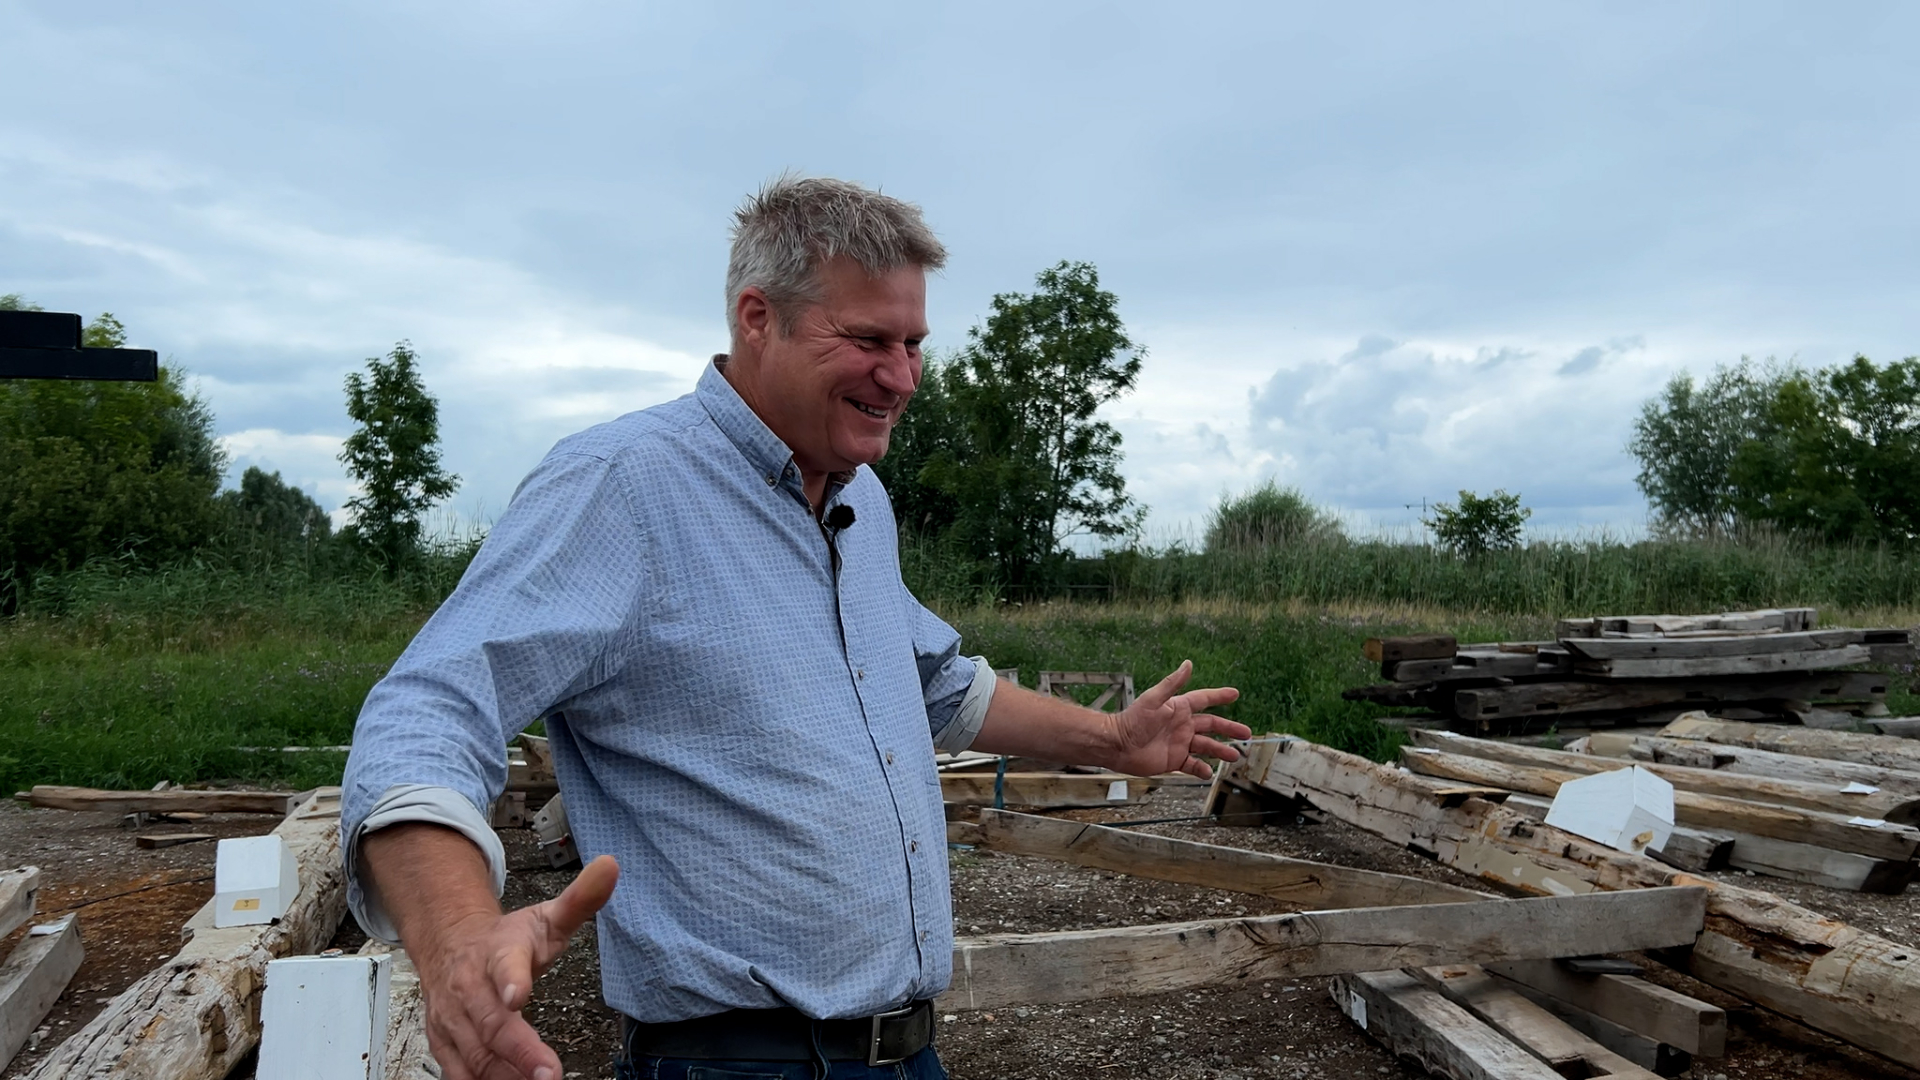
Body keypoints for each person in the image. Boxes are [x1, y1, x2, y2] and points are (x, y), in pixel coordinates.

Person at [341, 176, 1249, 1080]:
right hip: (736, 1063)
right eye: (866, 339)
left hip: (903, 1053)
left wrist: (1116, 740)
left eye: (912, 343)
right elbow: (426, 712)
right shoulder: (624, 487)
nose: (899, 376)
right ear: (756, 317)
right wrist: (457, 935)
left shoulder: (860, 504)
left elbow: (935, 681)